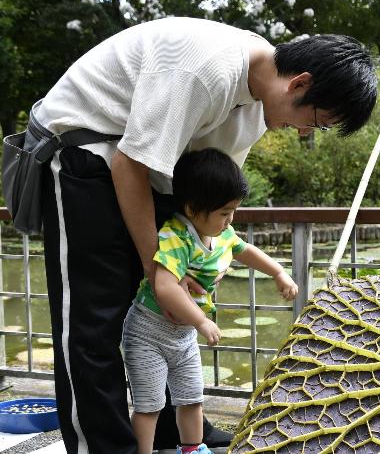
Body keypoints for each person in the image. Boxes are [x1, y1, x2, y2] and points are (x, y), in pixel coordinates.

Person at [26, 17, 377, 453]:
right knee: (94, 317)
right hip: (87, 150)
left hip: (147, 168)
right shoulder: (205, 70)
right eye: (317, 120)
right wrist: (161, 269)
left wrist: (185, 267)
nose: (306, 132)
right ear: (300, 82)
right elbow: (128, 164)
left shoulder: (258, 107)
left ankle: (178, 431)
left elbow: (201, 193)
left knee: (164, 308)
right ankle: (104, 445)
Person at [122, 148, 298, 454]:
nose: (230, 220)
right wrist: (202, 320)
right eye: (224, 213)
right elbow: (165, 287)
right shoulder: (176, 235)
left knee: (192, 398)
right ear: (192, 209)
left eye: (233, 211)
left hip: (184, 335)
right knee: (149, 404)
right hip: (148, 333)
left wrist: (279, 272)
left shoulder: (222, 234)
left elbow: (244, 250)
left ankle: (193, 449)